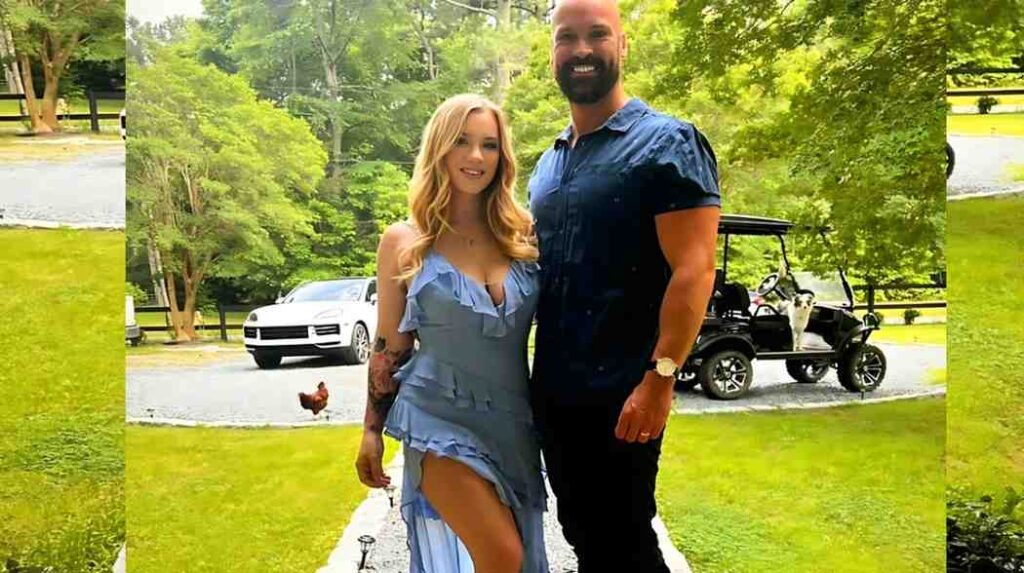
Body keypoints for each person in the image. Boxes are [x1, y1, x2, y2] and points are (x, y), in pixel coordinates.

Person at [527, 0, 721, 571]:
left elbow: (695, 269)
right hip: (556, 391)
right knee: (585, 533)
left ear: (623, 45)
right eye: (567, 38)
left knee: (623, 539)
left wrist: (660, 379)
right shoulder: (548, 164)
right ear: (553, 53)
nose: (582, 50)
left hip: (623, 394)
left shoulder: (667, 142)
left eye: (597, 34)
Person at [355, 93, 548, 573]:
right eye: (461, 141)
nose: (475, 156)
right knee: (503, 555)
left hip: (512, 422)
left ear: (503, 156)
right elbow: (389, 346)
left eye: (489, 144)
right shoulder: (404, 241)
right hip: (436, 416)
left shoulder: (522, 233)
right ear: (439, 147)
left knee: (519, 559)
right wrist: (371, 431)